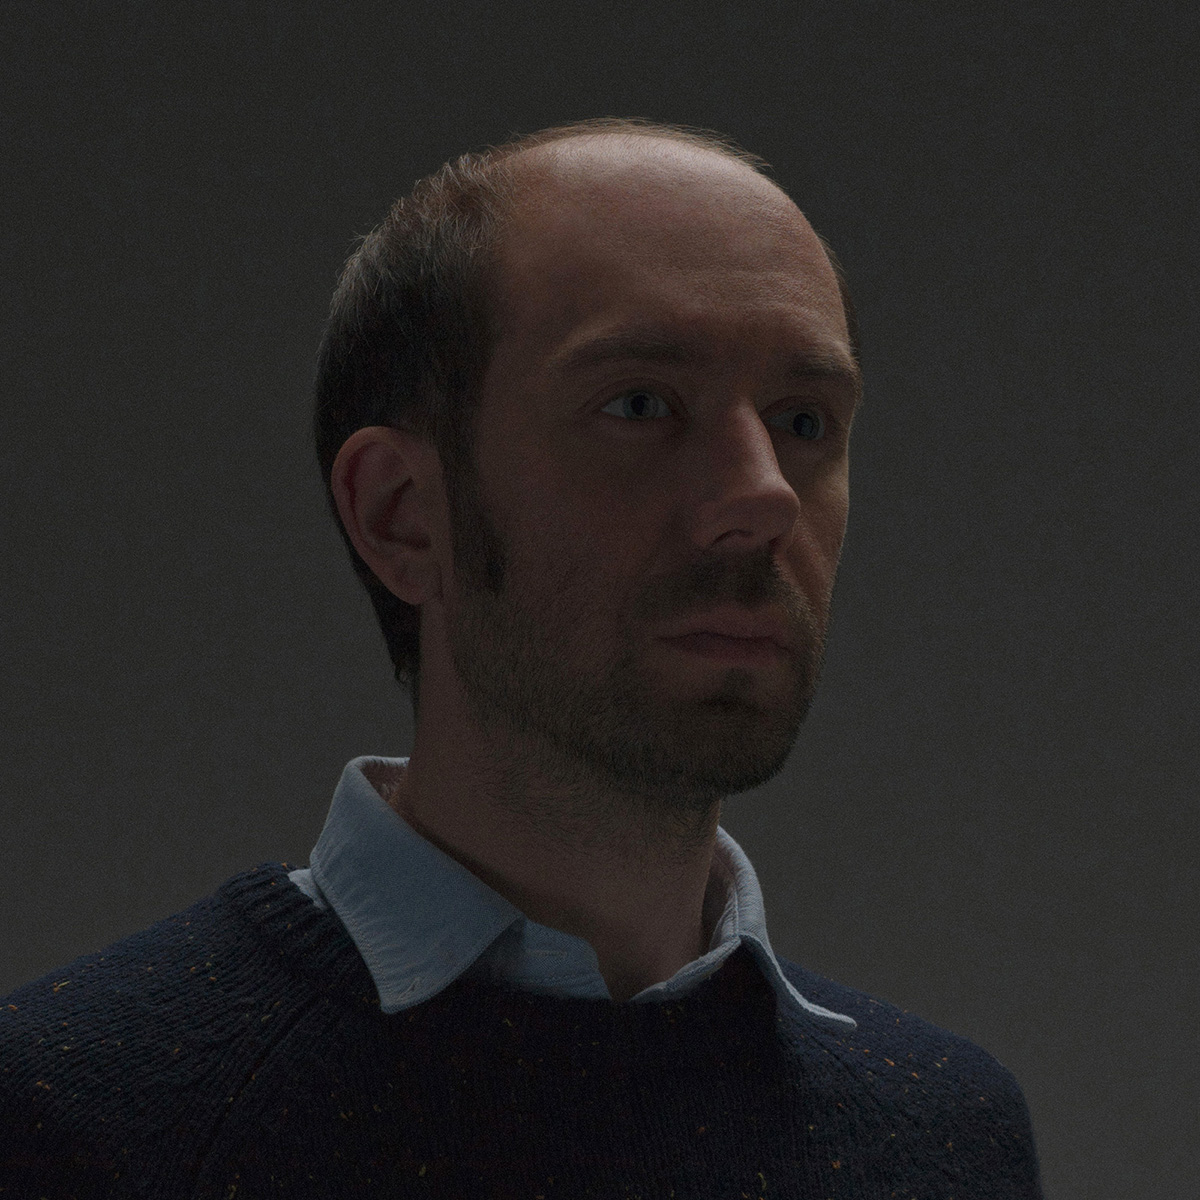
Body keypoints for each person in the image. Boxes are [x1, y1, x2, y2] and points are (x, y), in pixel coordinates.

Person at [0, 117, 1044, 1197]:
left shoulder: (948, 1141)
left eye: (805, 422)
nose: (764, 495)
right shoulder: (73, 1119)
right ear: (403, 515)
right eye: (640, 405)